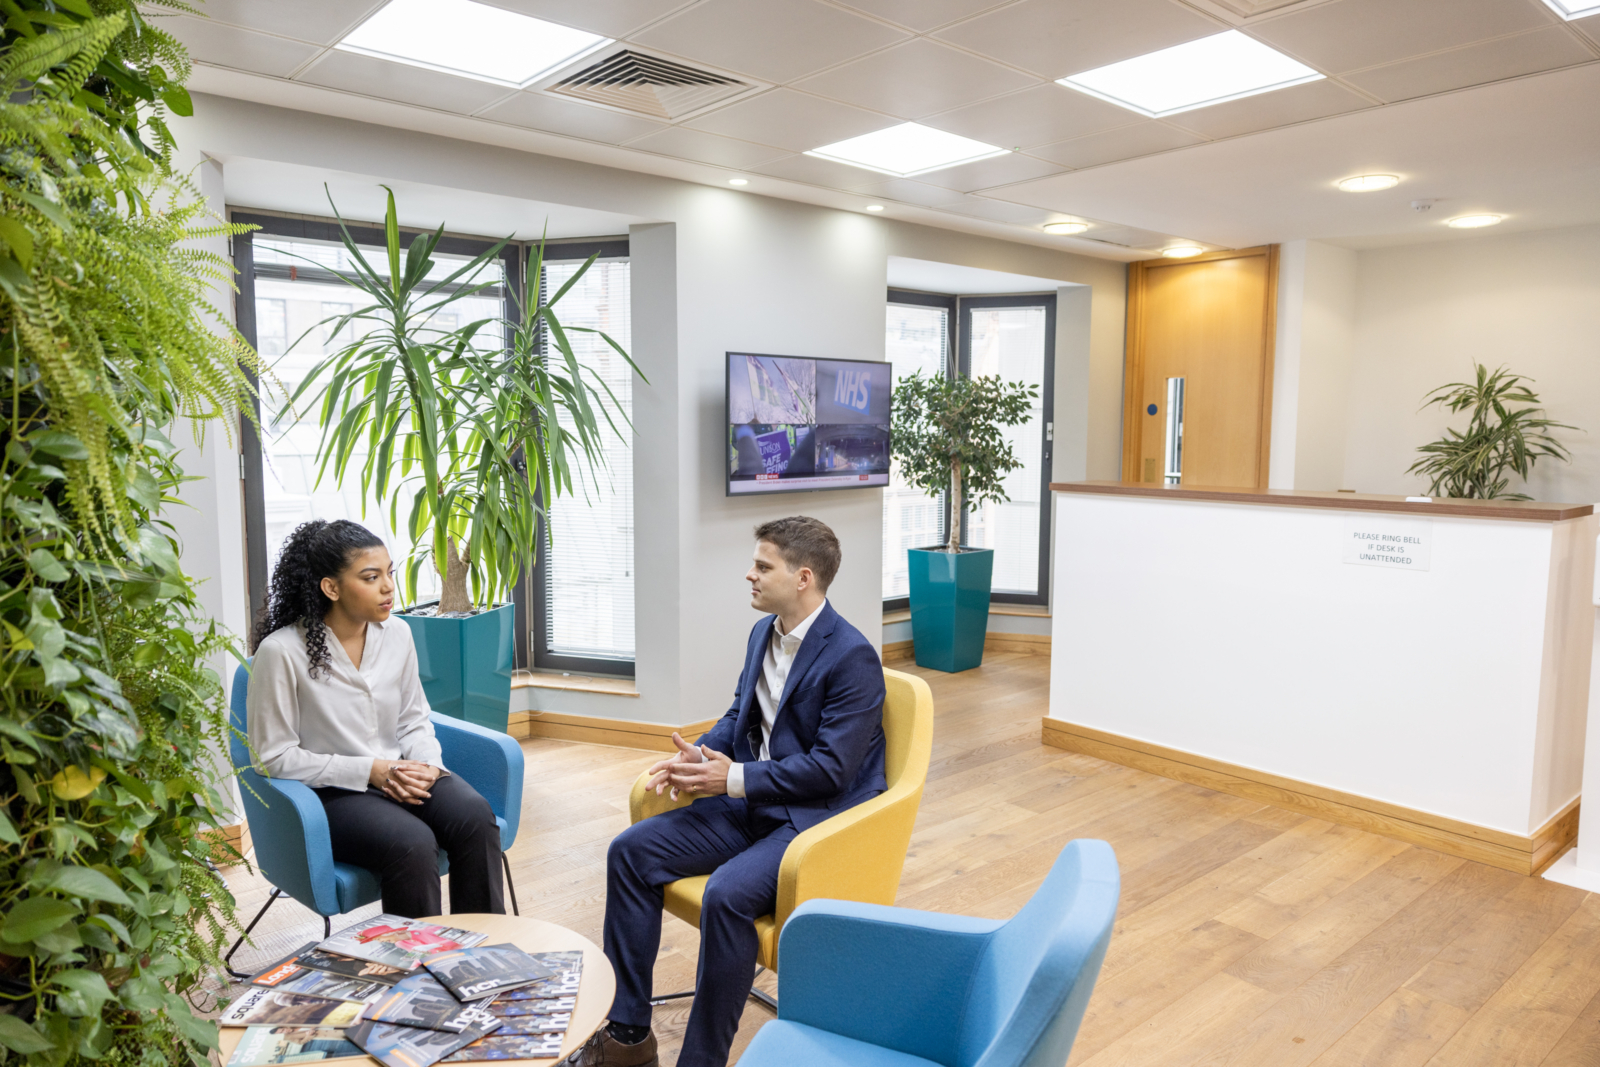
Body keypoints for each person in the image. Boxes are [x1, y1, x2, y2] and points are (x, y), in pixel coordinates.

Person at [575, 516, 886, 1067]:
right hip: (751, 803)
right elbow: (740, 717)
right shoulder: (762, 633)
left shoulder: (853, 658)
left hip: (809, 820)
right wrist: (697, 754)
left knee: (727, 896)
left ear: (803, 578)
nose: (750, 575)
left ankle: (701, 1061)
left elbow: (832, 772)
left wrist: (733, 779)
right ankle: (627, 1037)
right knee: (631, 853)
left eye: (763, 566)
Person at [247, 519, 505, 918]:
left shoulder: (398, 634)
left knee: (474, 816)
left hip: (401, 771)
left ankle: (485, 955)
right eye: (371, 577)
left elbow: (414, 720)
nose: (388, 587)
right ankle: (419, 969)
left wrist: (428, 767)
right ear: (331, 587)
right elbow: (273, 757)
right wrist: (371, 771)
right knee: (412, 843)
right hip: (331, 793)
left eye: (390, 574)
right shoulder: (281, 652)